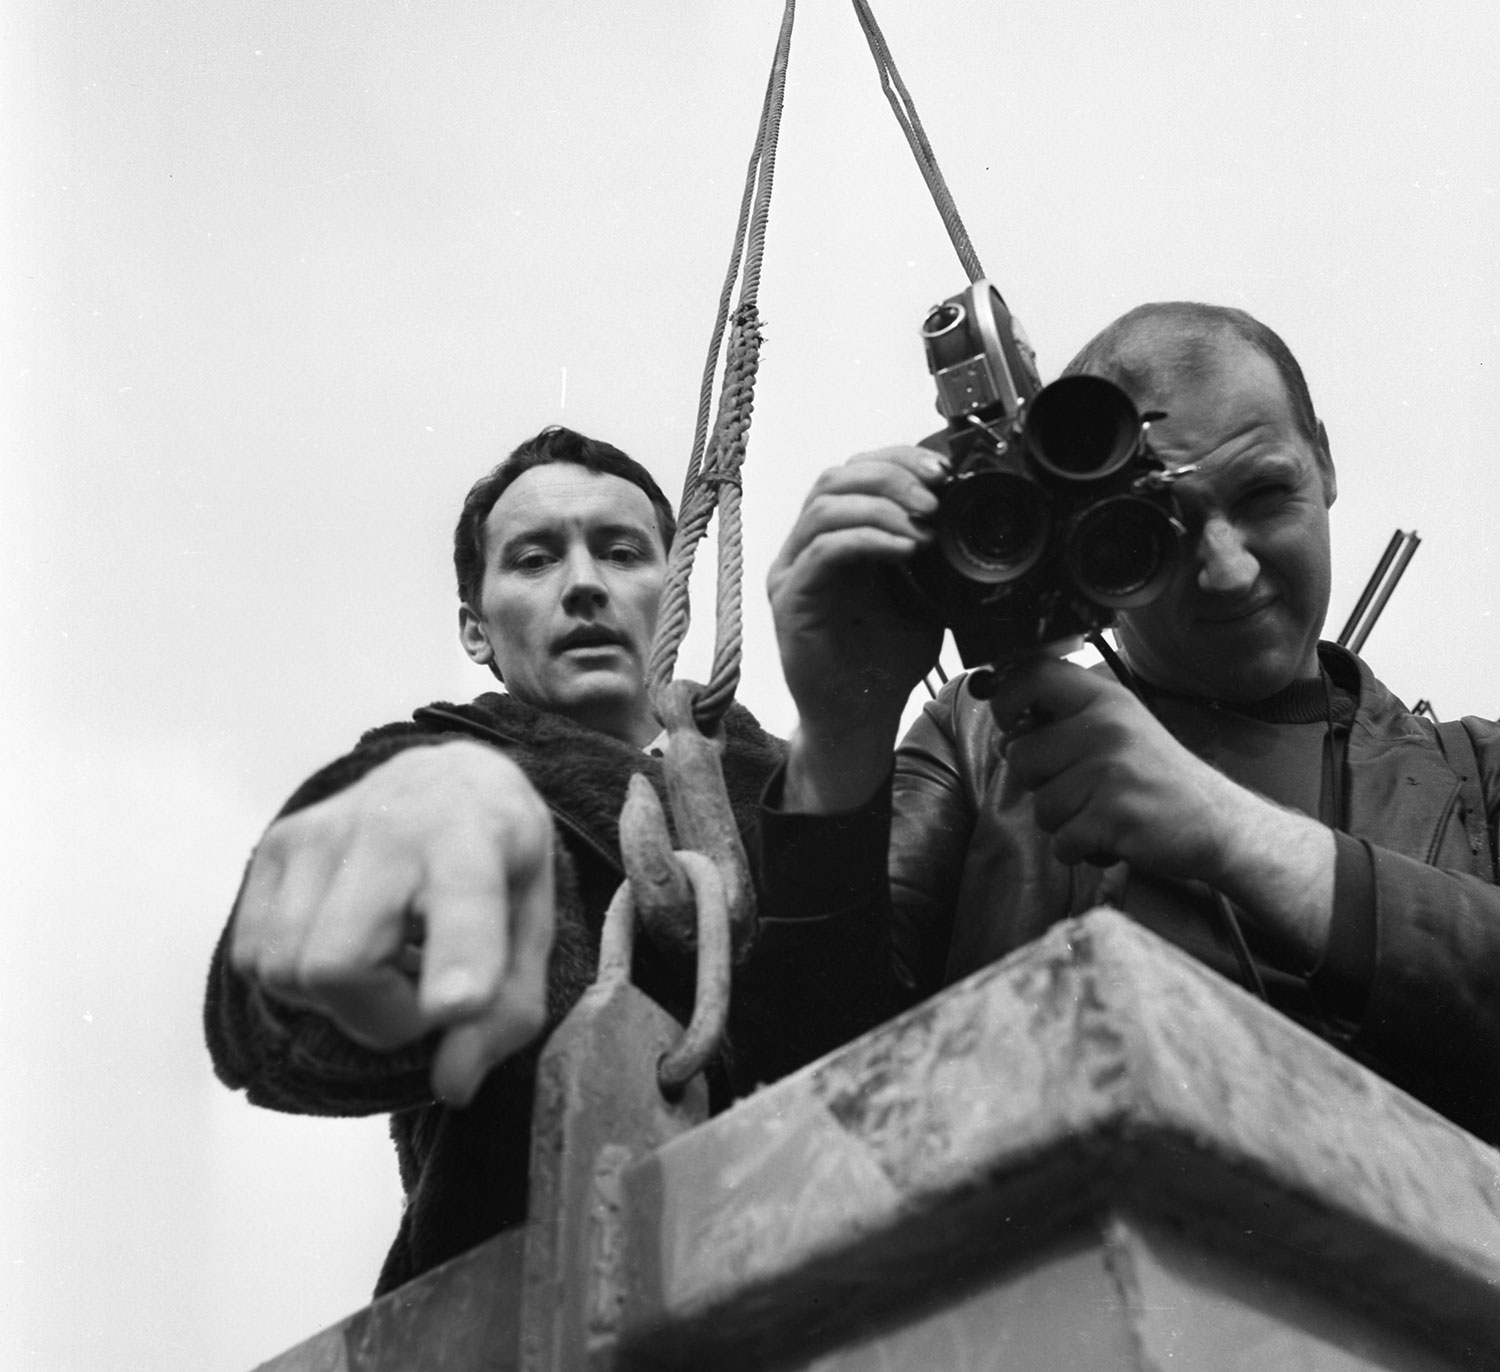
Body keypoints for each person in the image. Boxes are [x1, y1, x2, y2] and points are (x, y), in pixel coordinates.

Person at [768, 302, 1500, 1144]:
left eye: (1265, 495)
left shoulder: (1475, 773)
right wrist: (840, 732)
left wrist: (1229, 830)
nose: (1230, 571)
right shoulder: (976, 742)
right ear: (1083, 534)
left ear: (1324, 462)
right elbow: (806, 1104)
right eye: (1167, 522)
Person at [205, 425, 895, 1295]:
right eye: (534, 560)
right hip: (529, 1319)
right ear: (476, 630)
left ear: (674, 592)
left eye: (622, 552)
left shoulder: (821, 780)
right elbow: (278, 1021)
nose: (583, 584)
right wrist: (407, 852)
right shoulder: (433, 770)